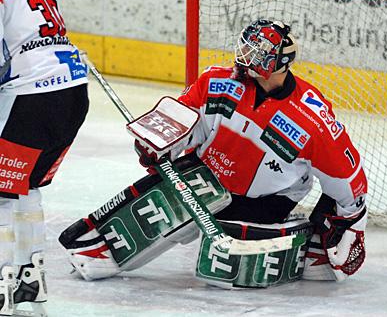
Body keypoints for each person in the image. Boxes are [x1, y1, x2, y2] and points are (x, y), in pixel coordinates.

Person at [60, 19, 367, 286]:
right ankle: (104, 246)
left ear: (278, 63)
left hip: (268, 201)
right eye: (244, 48)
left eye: (255, 53)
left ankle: (302, 236)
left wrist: (353, 222)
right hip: (203, 178)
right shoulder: (217, 81)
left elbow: (345, 173)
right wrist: (156, 144)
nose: (243, 56)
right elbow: (179, 122)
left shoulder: (310, 117)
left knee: (231, 270)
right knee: (160, 207)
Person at [0, 0, 88, 315]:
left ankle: (2, 283)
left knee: (2, 192)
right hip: (74, 91)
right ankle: (31, 278)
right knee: (26, 185)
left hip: (32, 96)